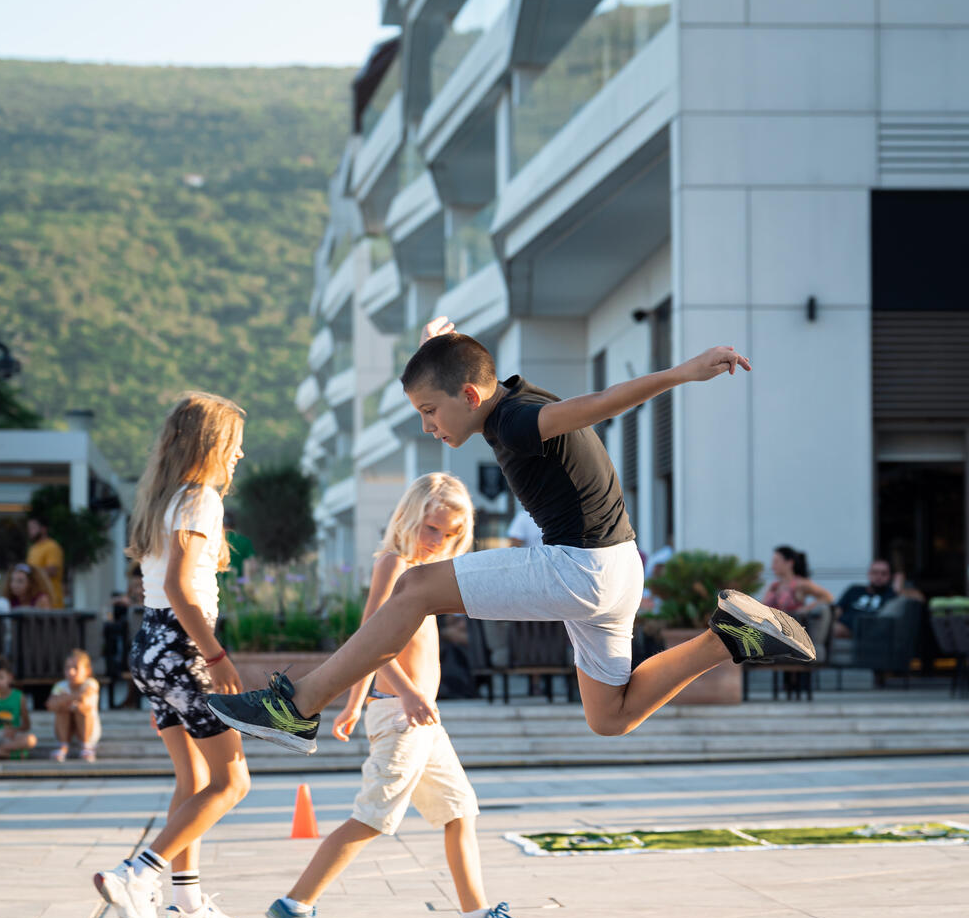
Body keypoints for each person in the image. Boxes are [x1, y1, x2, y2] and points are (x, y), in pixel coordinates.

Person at [209, 320, 815, 756]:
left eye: (429, 411)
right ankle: (726, 638)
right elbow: (460, 370)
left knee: (415, 584)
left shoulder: (519, 421)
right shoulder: (498, 399)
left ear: (469, 397)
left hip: (580, 568)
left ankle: (298, 704)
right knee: (612, 716)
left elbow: (598, 403)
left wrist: (680, 374)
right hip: (616, 569)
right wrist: (437, 340)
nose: (428, 426)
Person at [266, 473, 537, 918]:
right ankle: (296, 904)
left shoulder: (424, 570)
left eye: (451, 534)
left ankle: (476, 917)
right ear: (409, 518)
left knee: (459, 810)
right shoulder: (394, 564)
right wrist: (405, 694)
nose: (439, 541)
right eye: (432, 528)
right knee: (373, 815)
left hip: (420, 720)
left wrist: (353, 704)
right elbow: (370, 640)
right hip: (402, 714)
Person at [92, 391, 251, 918]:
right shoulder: (201, 498)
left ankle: (187, 905)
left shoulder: (165, 499)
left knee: (195, 780)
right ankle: (139, 874)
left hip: (150, 647)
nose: (238, 456)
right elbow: (184, 588)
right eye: (233, 444)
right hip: (182, 649)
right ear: (211, 444)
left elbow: (165, 589)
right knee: (233, 781)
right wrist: (216, 655)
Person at [47, 648, 101, 762]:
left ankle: (87, 745)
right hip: (67, 730)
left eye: (75, 668)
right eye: (67, 668)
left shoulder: (91, 683)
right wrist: (73, 699)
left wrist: (63, 700)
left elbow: (85, 702)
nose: (71, 672)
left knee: (81, 709)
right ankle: (63, 745)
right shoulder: (60, 685)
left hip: (89, 731)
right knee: (63, 710)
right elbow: (50, 705)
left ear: (87, 670)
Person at [834, 558, 904, 641]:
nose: (879, 577)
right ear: (869, 574)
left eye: (883, 574)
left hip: (870, 632)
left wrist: (898, 583)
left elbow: (913, 595)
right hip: (845, 626)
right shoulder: (854, 590)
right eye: (875, 573)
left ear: (890, 577)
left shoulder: (890, 595)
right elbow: (838, 610)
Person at [762, 547, 833, 614]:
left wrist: (806, 609)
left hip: (791, 625)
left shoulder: (800, 584)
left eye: (776, 562)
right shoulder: (774, 586)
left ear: (789, 563)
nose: (772, 567)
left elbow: (828, 597)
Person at [26, 516, 65, 608]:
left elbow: (52, 570)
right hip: (37, 601)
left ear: (43, 529)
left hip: (52, 601)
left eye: (33, 528)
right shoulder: (33, 548)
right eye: (29, 528)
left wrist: (30, 573)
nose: (30, 531)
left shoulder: (52, 546)